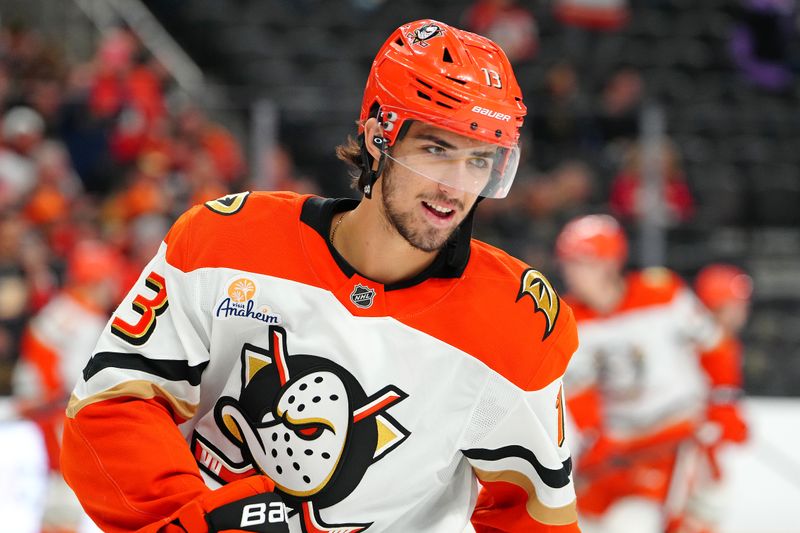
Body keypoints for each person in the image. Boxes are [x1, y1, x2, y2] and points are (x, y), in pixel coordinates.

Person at [61, 20, 581, 533]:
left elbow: (539, 517)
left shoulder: (515, 320)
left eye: (480, 160)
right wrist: (193, 522)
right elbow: (111, 405)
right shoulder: (226, 241)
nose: (456, 187)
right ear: (380, 135)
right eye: (436, 149)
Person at [554, 214, 741, 533]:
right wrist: (595, 434)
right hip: (621, 448)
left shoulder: (662, 293)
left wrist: (725, 401)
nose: (571, 271)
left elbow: (714, 345)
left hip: (675, 436)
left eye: (582, 262)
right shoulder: (569, 319)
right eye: (568, 262)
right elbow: (579, 389)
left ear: (610, 263)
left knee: (648, 521)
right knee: (578, 520)